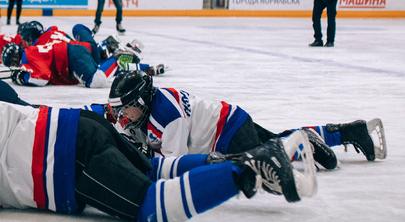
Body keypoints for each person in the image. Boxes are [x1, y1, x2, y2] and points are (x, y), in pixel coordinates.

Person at [0, 73, 318, 222]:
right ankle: (244, 161)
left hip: (69, 163)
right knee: (157, 169)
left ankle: (249, 171)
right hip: (80, 127)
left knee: (154, 208)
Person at [107, 71, 386, 169]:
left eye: (126, 108)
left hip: (227, 131)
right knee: (279, 139)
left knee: (268, 160)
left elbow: (173, 165)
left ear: (142, 102)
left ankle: (307, 145)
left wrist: (139, 152)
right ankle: (348, 131)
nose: (122, 116)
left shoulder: (167, 117)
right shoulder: (146, 111)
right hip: (231, 120)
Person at [1, 37, 162, 89]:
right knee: (102, 72)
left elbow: (42, 78)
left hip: (72, 57)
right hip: (74, 54)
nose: (17, 64)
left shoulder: (27, 57)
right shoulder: (31, 52)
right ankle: (142, 68)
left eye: (14, 61)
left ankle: (116, 57)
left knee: (96, 80)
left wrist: (22, 78)